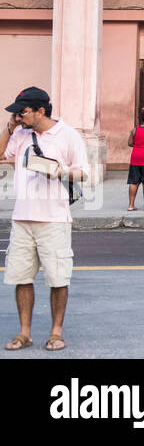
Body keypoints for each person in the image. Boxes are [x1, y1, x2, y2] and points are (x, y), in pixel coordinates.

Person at [2, 88, 90, 352]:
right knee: (21, 277)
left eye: (22, 111)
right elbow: (1, 155)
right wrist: (9, 127)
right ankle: (24, 332)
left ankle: (56, 332)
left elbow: (84, 173)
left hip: (54, 218)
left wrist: (59, 171)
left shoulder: (68, 135)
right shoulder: (20, 134)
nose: (19, 117)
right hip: (22, 217)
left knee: (57, 277)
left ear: (41, 111)